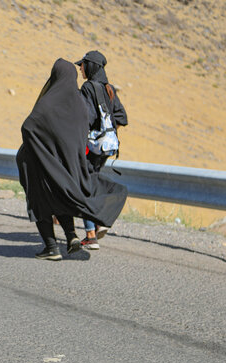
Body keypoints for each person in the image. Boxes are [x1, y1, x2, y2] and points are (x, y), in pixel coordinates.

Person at [16, 59, 128, 260]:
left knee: (40, 201)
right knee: (61, 199)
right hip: (68, 165)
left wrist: (42, 146)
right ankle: (72, 237)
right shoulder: (79, 104)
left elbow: (28, 127)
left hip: (41, 165)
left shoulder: (49, 101)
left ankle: (51, 247)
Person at [75, 50, 128, 250]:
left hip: (90, 148)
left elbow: (85, 118)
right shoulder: (109, 88)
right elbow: (122, 117)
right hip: (105, 149)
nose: (80, 68)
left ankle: (91, 234)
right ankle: (98, 223)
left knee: (84, 187)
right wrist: (108, 134)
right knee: (93, 182)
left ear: (90, 66)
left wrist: (88, 139)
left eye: (82, 65)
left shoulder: (88, 87)